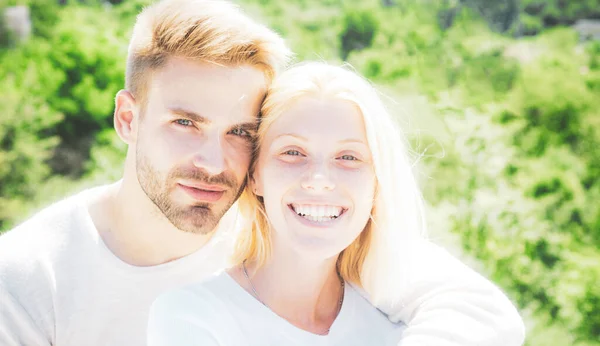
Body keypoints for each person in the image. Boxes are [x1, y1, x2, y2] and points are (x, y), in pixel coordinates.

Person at [0, 0, 525, 345]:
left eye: (241, 132)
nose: (212, 161)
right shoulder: (27, 276)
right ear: (128, 118)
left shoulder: (286, 229)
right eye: (185, 122)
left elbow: (475, 310)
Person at [146, 62, 521, 345]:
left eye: (349, 158)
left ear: (376, 181)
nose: (320, 180)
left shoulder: (400, 315)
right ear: (255, 174)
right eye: (293, 152)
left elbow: (490, 312)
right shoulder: (194, 316)